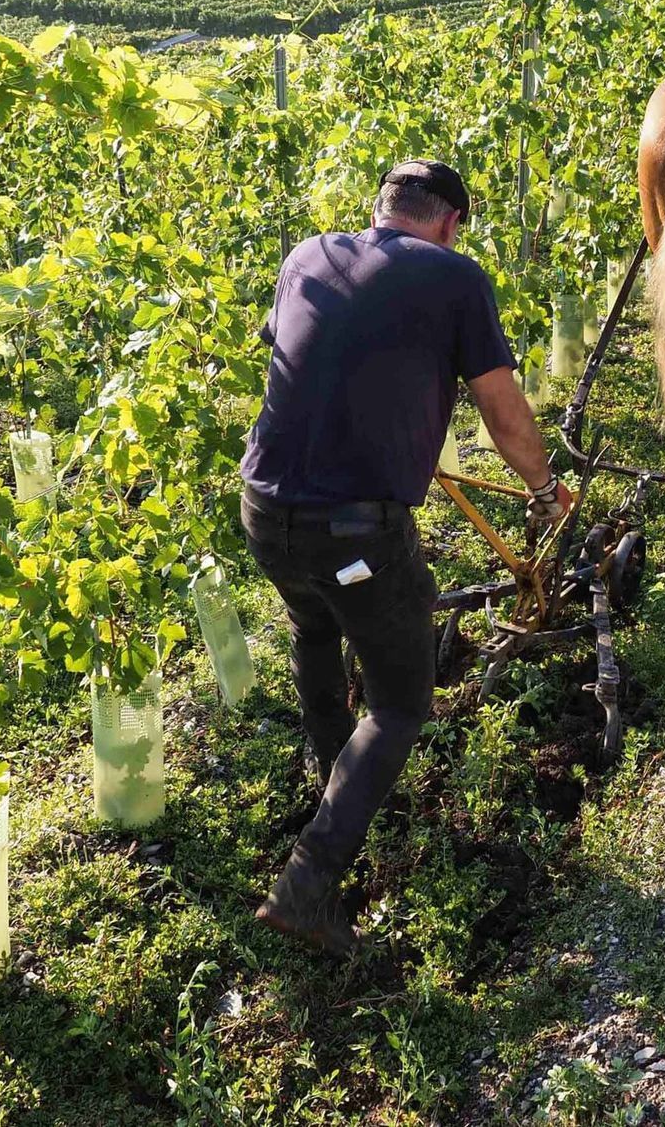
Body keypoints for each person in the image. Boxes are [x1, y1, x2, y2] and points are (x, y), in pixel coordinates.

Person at [239, 158, 574, 956]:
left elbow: (308, 364)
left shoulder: (305, 255)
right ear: (451, 222)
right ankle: (308, 886)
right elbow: (500, 408)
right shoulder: (456, 278)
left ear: (379, 209)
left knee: (315, 628)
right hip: (355, 534)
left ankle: (335, 782)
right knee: (399, 702)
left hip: (262, 509)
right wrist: (543, 484)